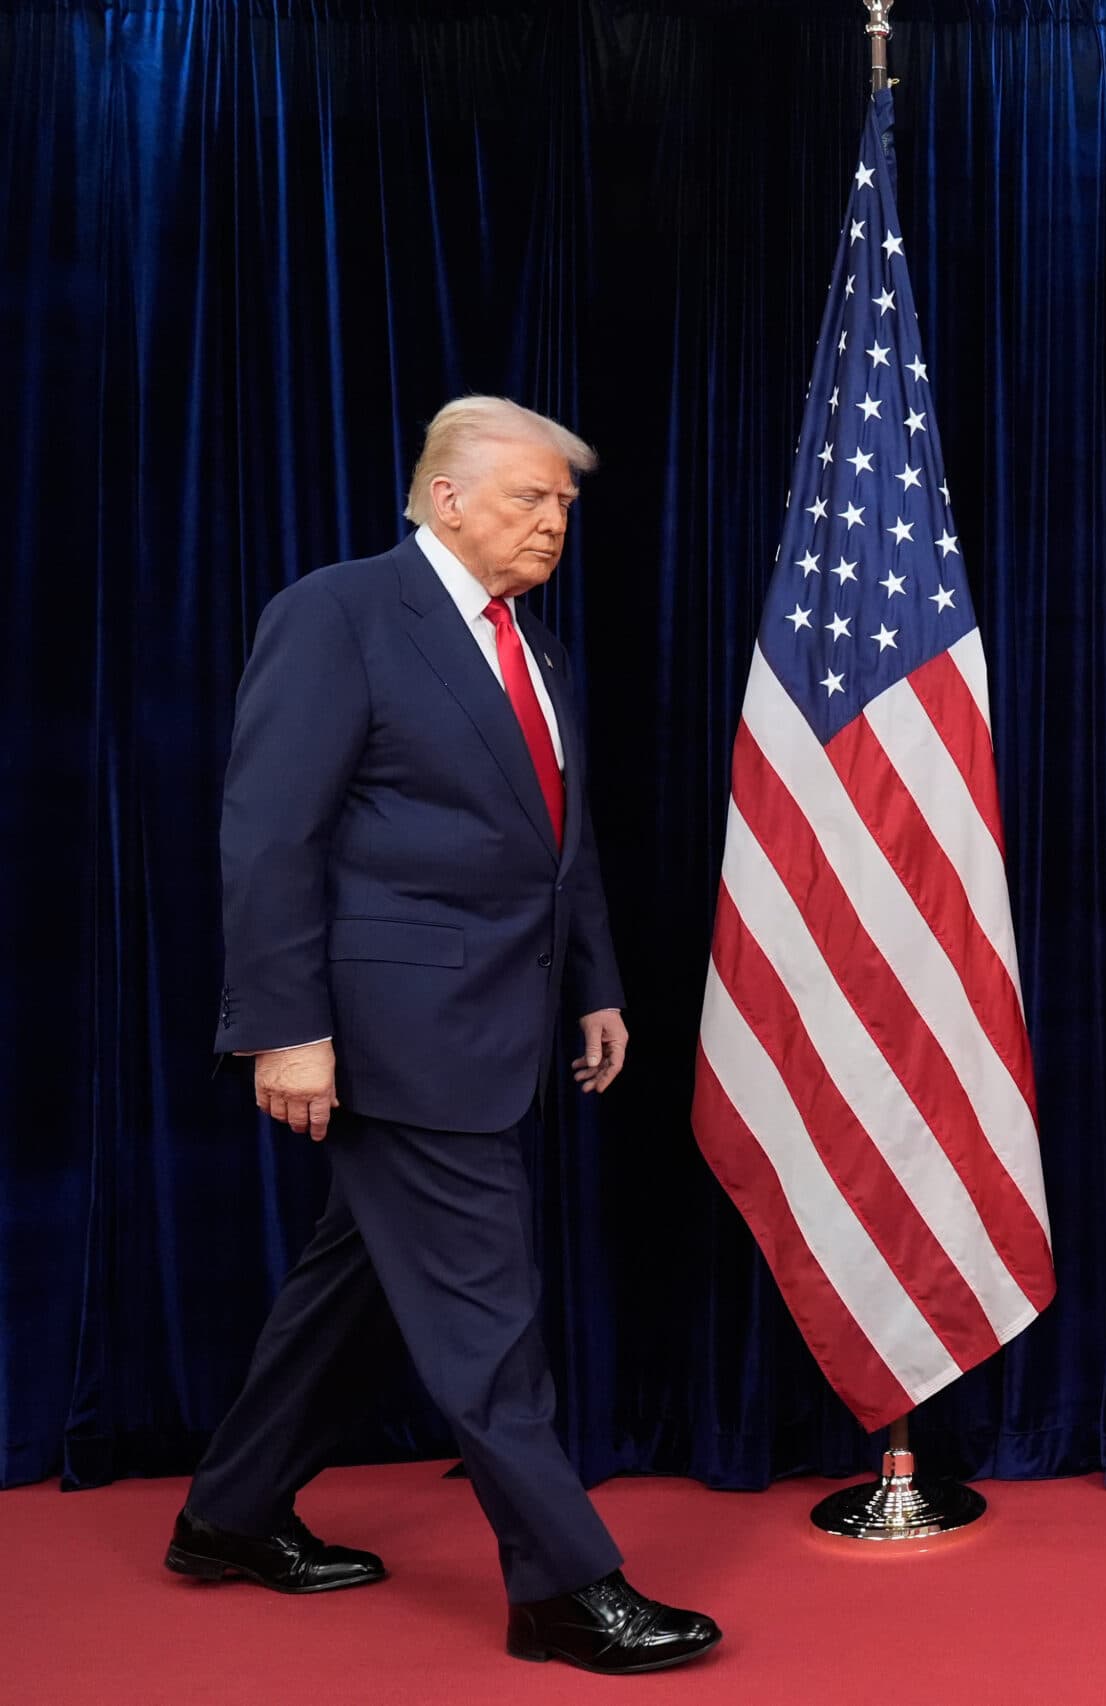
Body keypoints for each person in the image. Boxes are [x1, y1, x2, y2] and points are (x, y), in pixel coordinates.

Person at [169, 396, 721, 1677]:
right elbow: (270, 835)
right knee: (487, 1315)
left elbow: (554, 839)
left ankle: (227, 1514)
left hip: (498, 1017)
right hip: (386, 1029)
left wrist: (593, 981)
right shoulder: (339, 612)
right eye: (532, 498)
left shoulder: (534, 645)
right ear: (447, 496)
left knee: (349, 1288)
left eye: (567, 506)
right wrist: (285, 1029)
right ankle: (567, 1585)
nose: (555, 523)